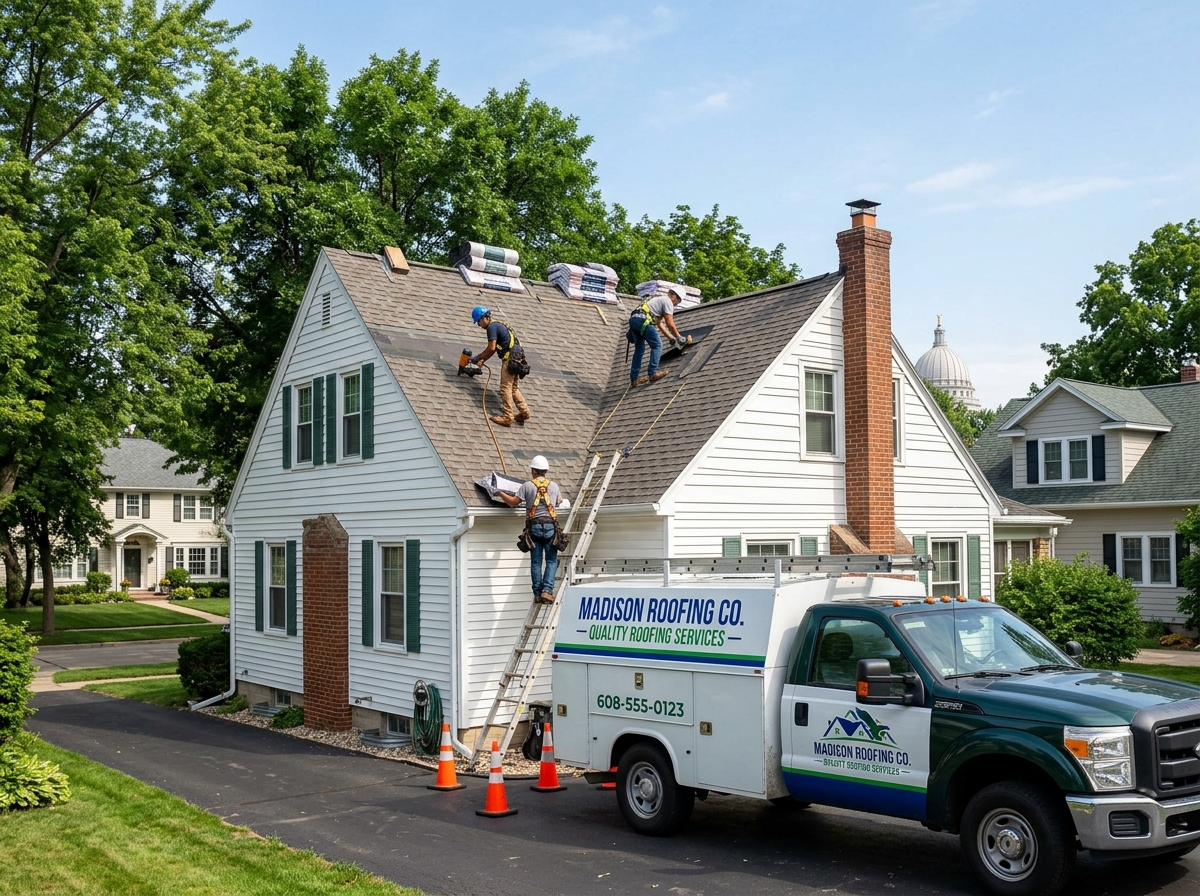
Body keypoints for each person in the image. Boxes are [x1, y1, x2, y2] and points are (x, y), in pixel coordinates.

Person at [497, 455, 562, 603]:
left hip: (534, 527)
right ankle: (547, 590)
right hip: (551, 526)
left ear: (533, 471)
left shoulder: (527, 486)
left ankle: (538, 593)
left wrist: (500, 492)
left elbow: (513, 502)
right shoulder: (554, 486)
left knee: (536, 562)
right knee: (551, 561)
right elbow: (559, 501)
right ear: (545, 471)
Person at [470, 305, 530, 427]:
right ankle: (525, 412)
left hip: (510, 360)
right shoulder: (500, 324)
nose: (479, 325)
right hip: (518, 359)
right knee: (513, 388)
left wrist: (479, 358)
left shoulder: (491, 327)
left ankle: (508, 417)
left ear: (484, 318)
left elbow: (491, 348)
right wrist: (483, 359)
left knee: (505, 388)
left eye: (478, 322)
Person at [627, 288, 687, 386]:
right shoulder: (668, 301)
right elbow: (669, 322)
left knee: (639, 350)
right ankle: (653, 373)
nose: (676, 304)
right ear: (674, 296)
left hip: (635, 320)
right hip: (644, 321)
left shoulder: (659, 300)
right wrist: (679, 337)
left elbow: (659, 323)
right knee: (657, 345)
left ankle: (634, 380)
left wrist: (671, 337)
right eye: (678, 301)